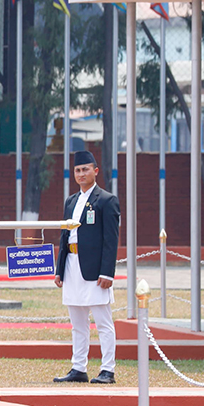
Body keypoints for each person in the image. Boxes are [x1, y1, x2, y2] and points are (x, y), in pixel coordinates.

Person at [54, 150, 120, 385]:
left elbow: (111, 240)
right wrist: (59, 269)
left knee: (103, 321)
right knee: (77, 323)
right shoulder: (71, 201)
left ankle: (107, 369)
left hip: (95, 269)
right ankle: (78, 367)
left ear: (95, 171)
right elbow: (65, 237)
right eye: (77, 170)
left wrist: (107, 272)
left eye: (85, 169)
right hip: (72, 265)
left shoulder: (106, 200)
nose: (81, 174)